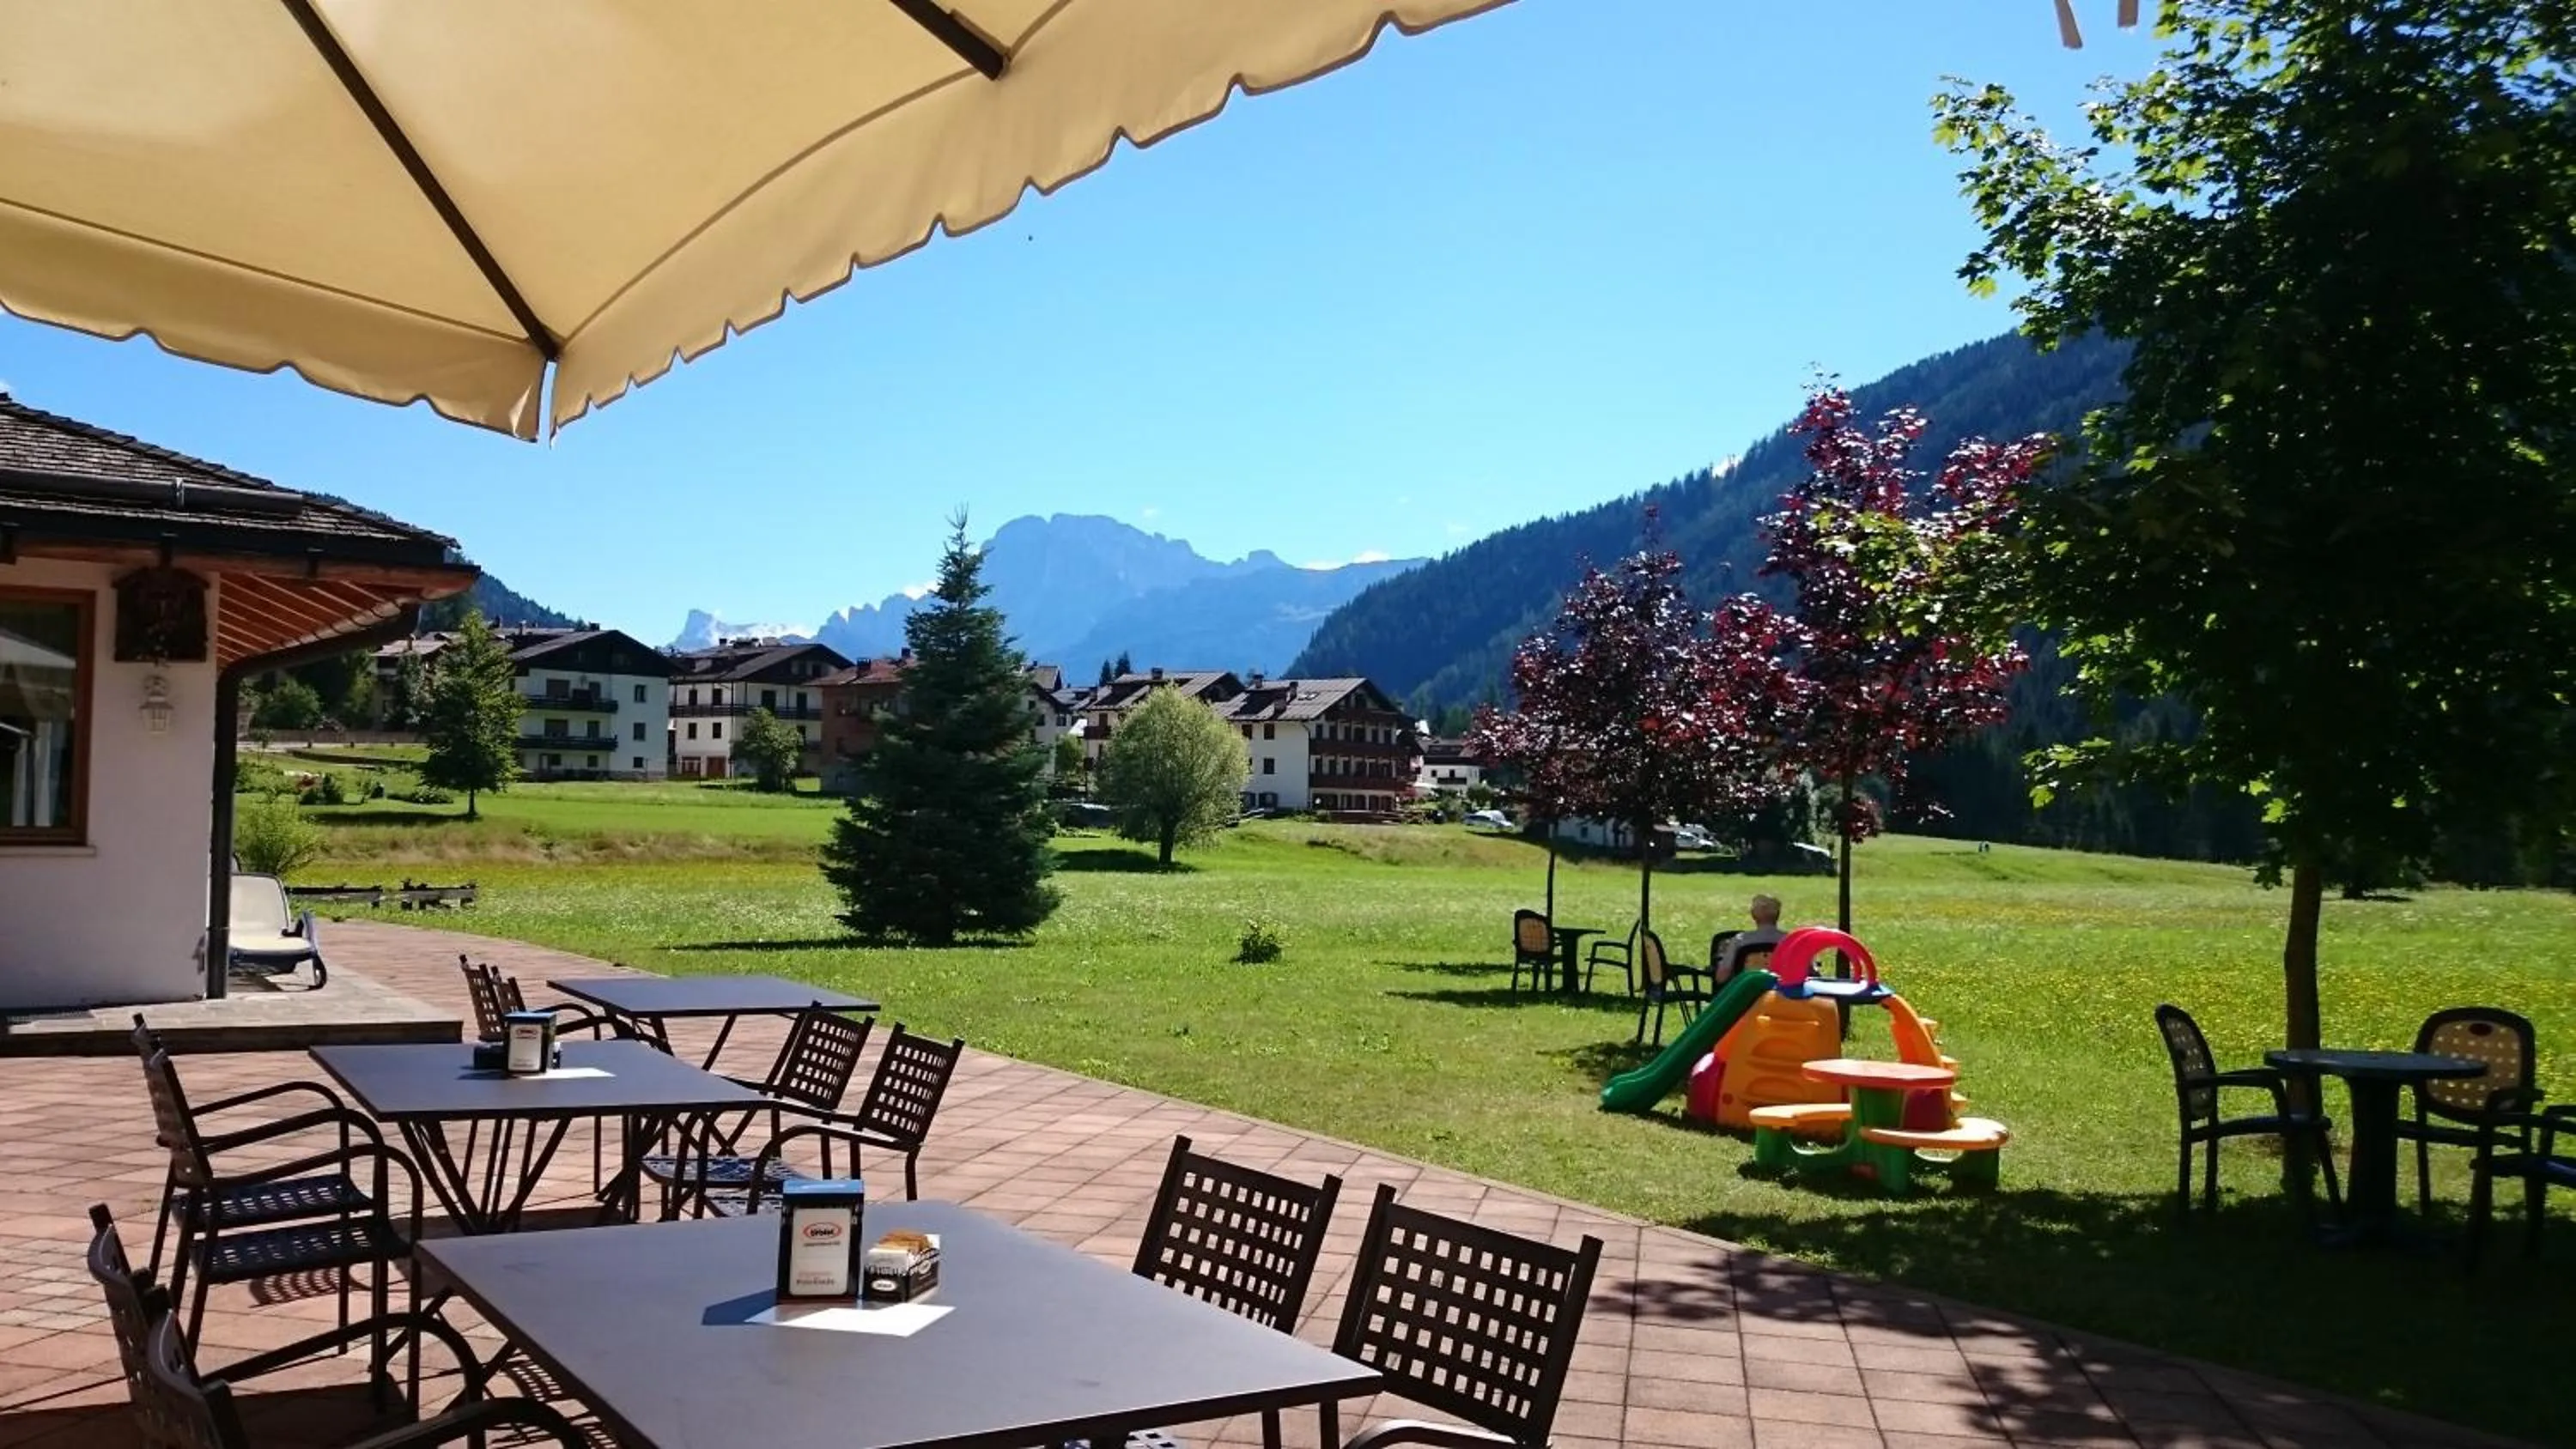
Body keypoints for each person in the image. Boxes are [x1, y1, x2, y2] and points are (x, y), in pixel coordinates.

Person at [1716, 894, 1786, 981]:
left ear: (1753, 915)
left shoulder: (1740, 940)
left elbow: (1722, 977)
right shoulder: (1791, 941)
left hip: (1747, 992)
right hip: (1782, 993)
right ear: (1778, 914)